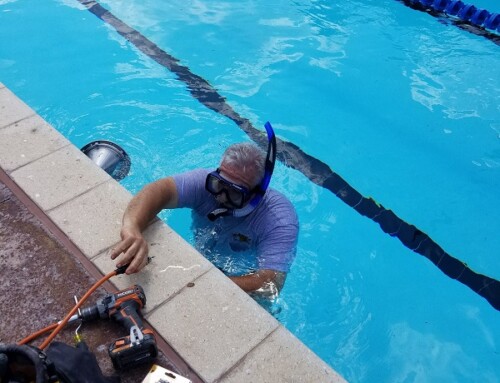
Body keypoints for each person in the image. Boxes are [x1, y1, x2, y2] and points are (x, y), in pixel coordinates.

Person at [110, 123, 299, 294]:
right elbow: (158, 190)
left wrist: (209, 284)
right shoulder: (205, 183)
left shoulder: (278, 220)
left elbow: (271, 283)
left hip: (242, 274)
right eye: (218, 185)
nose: (220, 197)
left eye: (233, 193)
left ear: (256, 194)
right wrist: (131, 228)